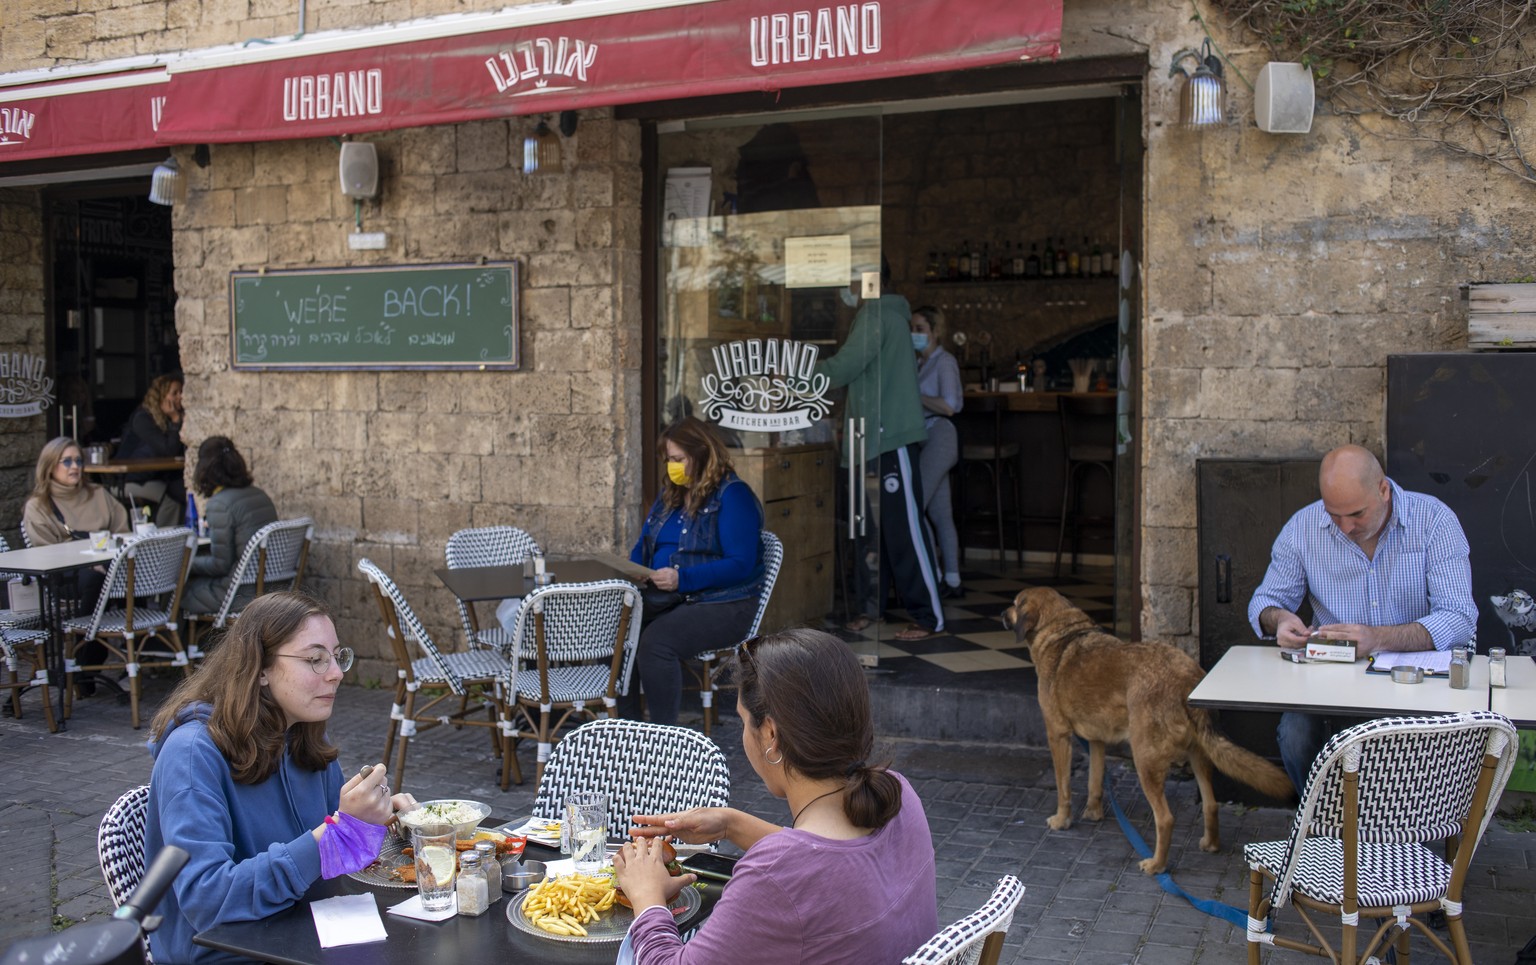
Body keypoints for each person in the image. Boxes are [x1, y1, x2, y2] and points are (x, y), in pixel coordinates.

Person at [615, 628, 938, 964]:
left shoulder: (775, 875)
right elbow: (829, 861)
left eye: (743, 721)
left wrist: (647, 896)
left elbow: (801, 869)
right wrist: (731, 824)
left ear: (770, 734)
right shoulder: (899, 796)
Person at [143, 592, 416, 965]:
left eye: (337, 657)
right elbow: (207, 901)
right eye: (315, 659)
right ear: (260, 669)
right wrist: (335, 833)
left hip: (308, 934)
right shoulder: (192, 754)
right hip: (227, 955)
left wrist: (382, 824)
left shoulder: (303, 736)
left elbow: (336, 860)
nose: (335, 672)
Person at [1248, 444, 1477, 792]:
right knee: (1295, 733)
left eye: (1356, 513)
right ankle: (1331, 826)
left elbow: (1460, 617)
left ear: (1383, 490)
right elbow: (1264, 602)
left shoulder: (1434, 520)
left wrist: (1378, 639)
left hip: (1416, 678)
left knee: (1411, 752)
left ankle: (1398, 831)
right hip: (1333, 678)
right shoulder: (1303, 526)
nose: (1345, 527)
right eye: (1334, 515)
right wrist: (1279, 619)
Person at [815, 265, 944, 641]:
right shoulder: (883, 315)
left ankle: (929, 616)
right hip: (868, 439)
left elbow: (842, 369)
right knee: (871, 534)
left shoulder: (877, 315)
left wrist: (791, 375)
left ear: (868, 279)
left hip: (888, 439)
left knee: (903, 530)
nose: (846, 287)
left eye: (850, 278)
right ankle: (870, 609)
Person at [618, 416, 765, 726]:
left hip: (724, 602)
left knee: (656, 644)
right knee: (616, 633)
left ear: (701, 453)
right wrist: (637, 568)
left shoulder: (733, 495)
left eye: (678, 459)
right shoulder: (670, 495)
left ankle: (666, 740)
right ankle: (626, 728)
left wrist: (682, 578)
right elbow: (643, 543)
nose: (671, 466)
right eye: (668, 460)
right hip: (672, 596)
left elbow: (741, 563)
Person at [181, 436, 278, 615]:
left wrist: (185, 563)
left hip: (239, 594)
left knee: (178, 589)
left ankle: (171, 641)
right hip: (269, 587)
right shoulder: (260, 495)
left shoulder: (220, 504)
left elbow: (220, 564)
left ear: (204, 468)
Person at [911, 305, 965, 599]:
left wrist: (915, 395)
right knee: (940, 513)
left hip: (940, 435)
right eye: (913, 329)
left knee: (915, 508)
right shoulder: (921, 363)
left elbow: (950, 405)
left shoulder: (944, 362)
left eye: (920, 329)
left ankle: (935, 574)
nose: (914, 334)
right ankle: (953, 581)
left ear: (934, 331)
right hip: (926, 438)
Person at [116, 374, 187, 527]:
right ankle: (163, 538)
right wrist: (175, 421)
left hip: (157, 476)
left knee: (181, 488)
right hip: (131, 479)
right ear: (161, 396)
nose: (180, 397)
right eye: (174, 393)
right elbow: (169, 450)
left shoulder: (169, 418)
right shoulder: (143, 419)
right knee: (174, 493)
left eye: (181, 392)